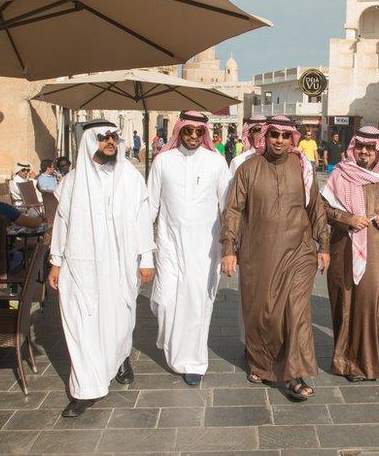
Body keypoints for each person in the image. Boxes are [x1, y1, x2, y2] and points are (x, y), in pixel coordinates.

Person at [46, 120, 156, 418]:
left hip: (121, 263)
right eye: (103, 137)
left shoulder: (131, 178)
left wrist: (146, 259)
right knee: (80, 324)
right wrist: (56, 261)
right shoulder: (71, 182)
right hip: (80, 265)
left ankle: (120, 357)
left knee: (120, 319)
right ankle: (85, 389)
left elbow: (142, 220)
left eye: (113, 137)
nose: (110, 141)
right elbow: (62, 224)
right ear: (89, 142)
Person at [220, 115, 329, 401]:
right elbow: (232, 210)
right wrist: (229, 248)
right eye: (274, 135)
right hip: (259, 253)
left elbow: (316, 207)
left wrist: (324, 244)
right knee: (263, 312)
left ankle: (295, 374)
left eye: (284, 135)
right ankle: (261, 363)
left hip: (299, 251)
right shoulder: (248, 169)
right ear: (264, 137)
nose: (279, 140)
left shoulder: (303, 167)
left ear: (292, 138)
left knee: (296, 309)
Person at [321, 126, 379, 381]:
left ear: (378, 150)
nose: (363, 151)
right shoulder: (340, 174)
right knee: (349, 306)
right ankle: (350, 363)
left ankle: (376, 359)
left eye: (369, 148)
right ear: (353, 148)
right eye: (359, 146)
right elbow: (322, 209)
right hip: (346, 251)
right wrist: (347, 218)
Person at [148, 112, 231, 386]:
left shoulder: (217, 162)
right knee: (165, 300)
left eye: (198, 131)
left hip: (205, 248)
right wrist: (141, 246)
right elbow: (150, 207)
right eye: (188, 131)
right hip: (169, 244)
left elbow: (227, 207)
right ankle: (174, 349)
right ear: (179, 132)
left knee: (196, 303)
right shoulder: (162, 161)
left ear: (204, 133)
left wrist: (232, 245)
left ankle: (194, 361)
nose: (193, 136)